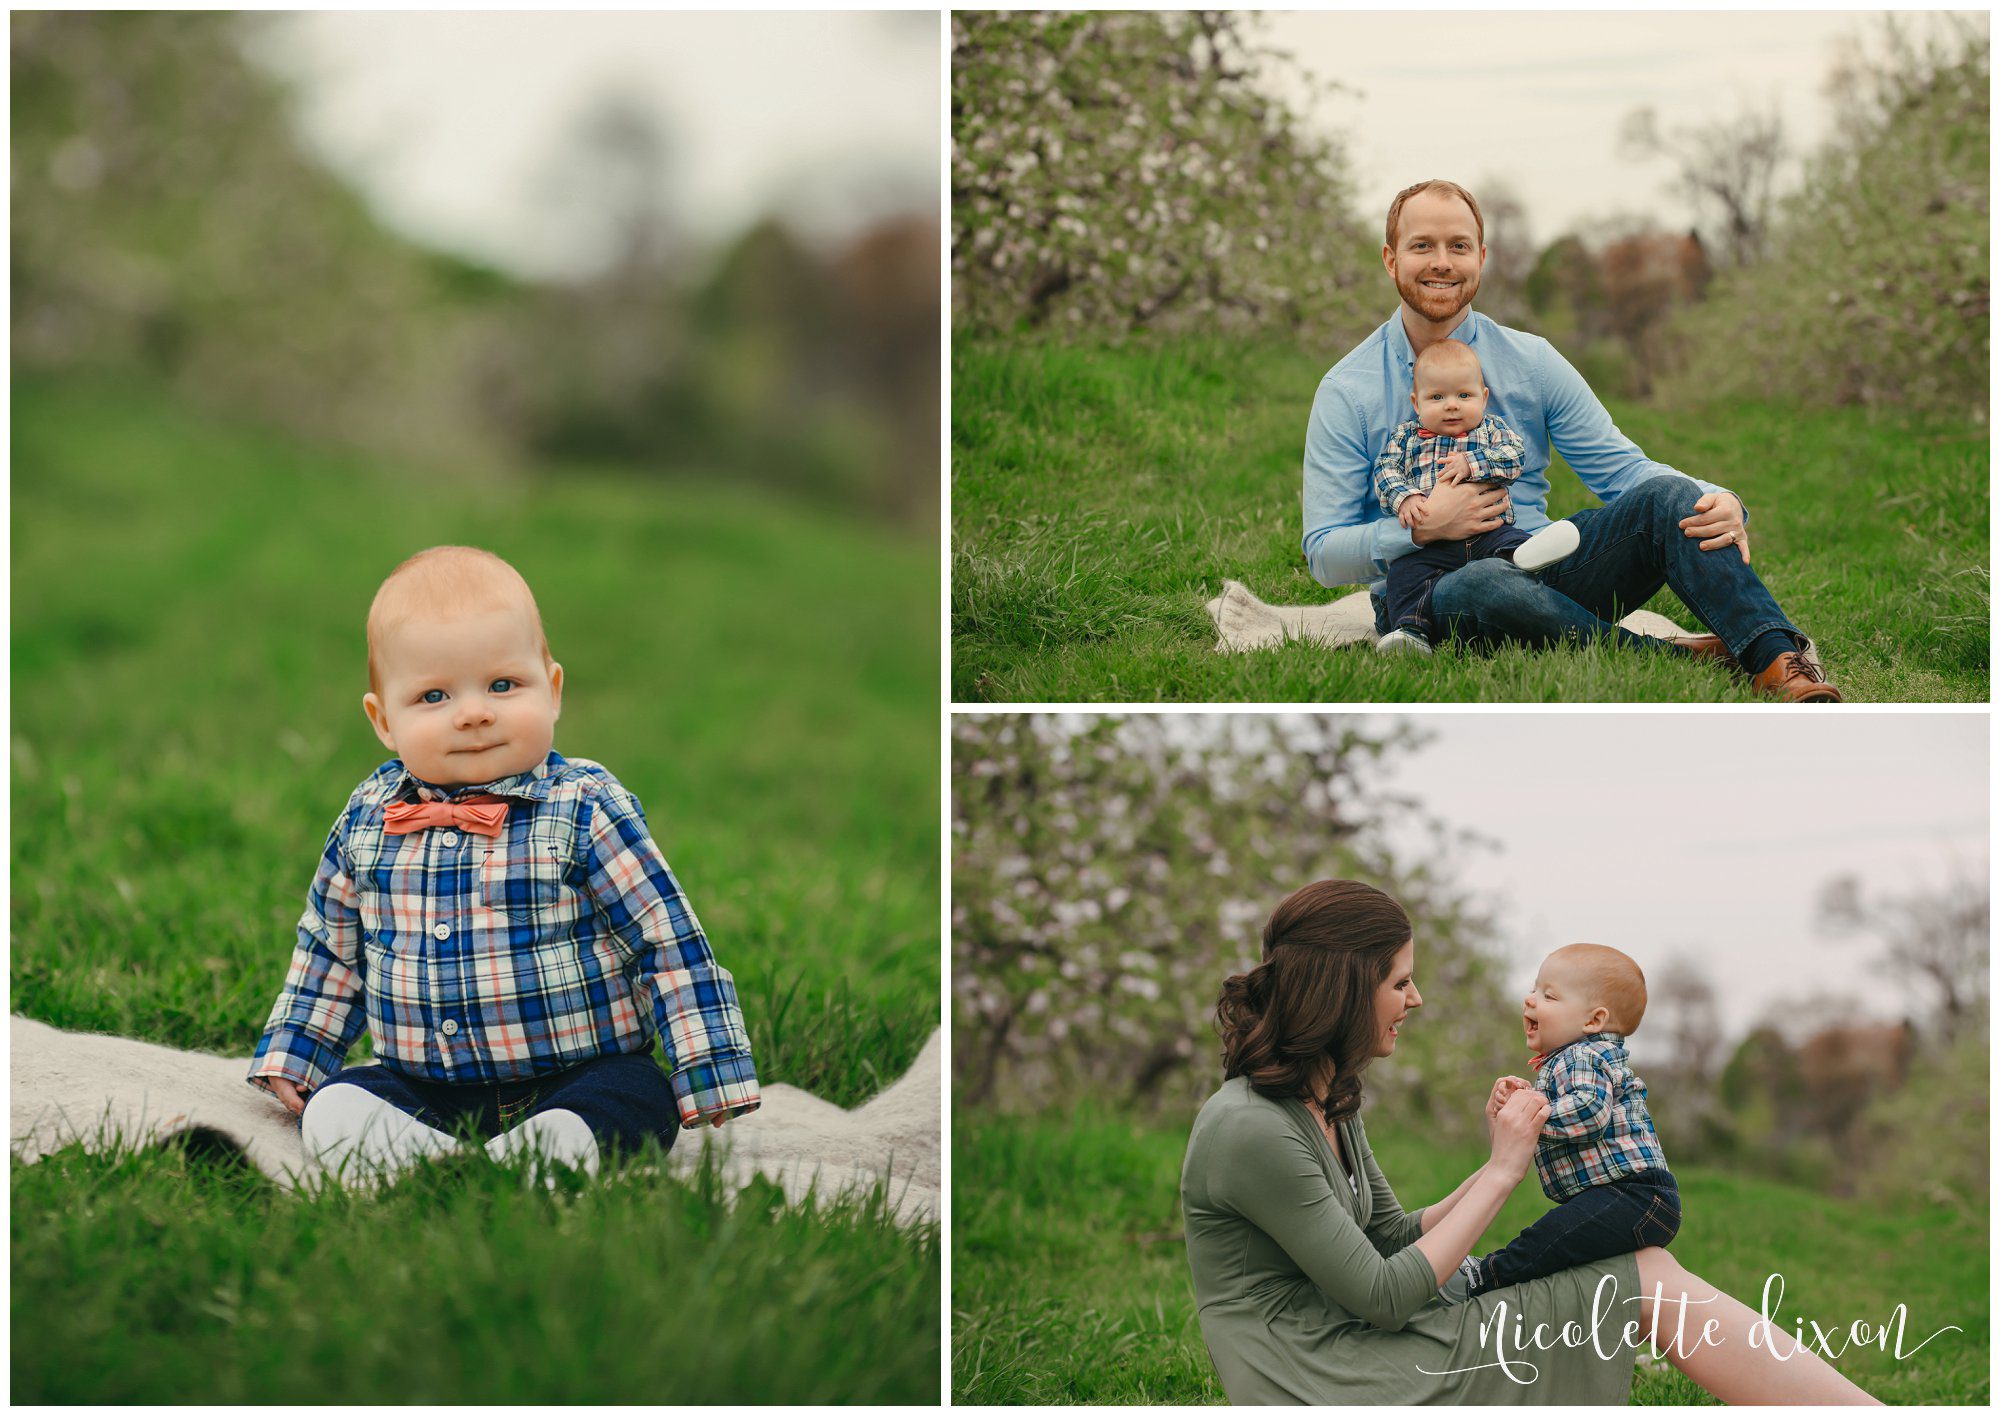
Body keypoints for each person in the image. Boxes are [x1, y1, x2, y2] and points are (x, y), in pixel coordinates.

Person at [1180, 878, 1878, 1404]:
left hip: (1359, 1341)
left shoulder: (1328, 1097)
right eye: (1400, 981)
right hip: (1327, 1378)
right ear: (1341, 992)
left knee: (1646, 1269)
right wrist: (1503, 1173)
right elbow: (1383, 1295)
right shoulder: (1252, 1129)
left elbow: (1388, 1233)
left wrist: (1495, 1158)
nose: (1416, 999)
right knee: (1642, 1281)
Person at [247, 545, 759, 1180]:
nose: (474, 711)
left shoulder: (584, 809)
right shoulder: (367, 821)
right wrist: (298, 1052)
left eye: (502, 685)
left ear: (553, 689)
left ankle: (542, 1158)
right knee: (336, 1106)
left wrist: (706, 1058)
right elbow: (330, 949)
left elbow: (665, 938)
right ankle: (429, 1161)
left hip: (578, 1072)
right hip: (428, 1085)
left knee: (635, 1097)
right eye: (434, 696)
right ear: (384, 722)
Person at [1301, 178, 1843, 701]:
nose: (1442, 261)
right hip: (1427, 597)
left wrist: (1720, 498)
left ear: (1481, 259)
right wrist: (1422, 531)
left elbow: (1621, 469)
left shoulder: (1532, 362)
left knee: (1670, 497)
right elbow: (1324, 552)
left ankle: (1778, 661)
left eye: (1458, 246)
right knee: (1483, 584)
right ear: (1391, 259)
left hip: (1541, 560)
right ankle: (1672, 659)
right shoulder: (1348, 390)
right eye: (1423, 245)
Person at [1449, 944, 1678, 1301]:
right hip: (1633, 1196)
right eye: (1533, 988)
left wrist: (1530, 1115)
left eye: (1549, 995)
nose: (1530, 1000)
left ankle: (1485, 1277)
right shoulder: (1569, 1059)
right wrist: (1524, 1102)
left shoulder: (1582, 1055)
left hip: (1634, 1194)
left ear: (1592, 1021)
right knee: (1567, 1251)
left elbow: (1589, 1111)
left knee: (1550, 1237)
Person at [1373, 339, 1581, 654]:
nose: (1452, 404)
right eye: (1437, 397)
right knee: (1404, 575)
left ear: (1483, 398)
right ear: (1417, 403)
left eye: (1464, 395)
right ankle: (1412, 631)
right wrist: (1405, 498)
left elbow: (1514, 456)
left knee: (1513, 541)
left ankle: (1528, 558)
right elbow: (1385, 470)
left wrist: (1472, 463)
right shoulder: (1406, 437)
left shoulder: (1491, 430)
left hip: (1489, 532)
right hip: (1432, 546)